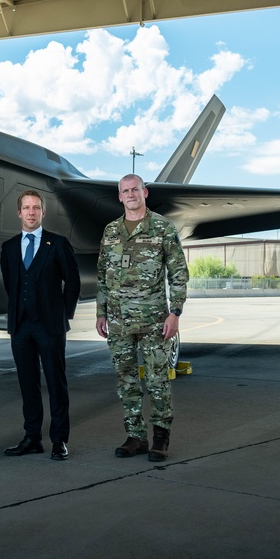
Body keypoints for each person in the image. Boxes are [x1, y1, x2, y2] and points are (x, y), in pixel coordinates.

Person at [95, 174, 188, 462]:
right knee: (126, 380)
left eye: (136, 189)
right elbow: (102, 275)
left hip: (154, 321)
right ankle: (135, 436)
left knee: (158, 380)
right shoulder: (111, 231)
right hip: (119, 322)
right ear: (120, 197)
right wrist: (101, 312)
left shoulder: (162, 227)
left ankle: (161, 437)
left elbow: (179, 273)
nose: (131, 194)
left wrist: (176, 312)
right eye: (126, 190)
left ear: (145, 192)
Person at [0, 190, 80, 461]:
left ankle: (59, 440)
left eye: (36, 208)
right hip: (21, 327)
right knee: (27, 384)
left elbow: (73, 282)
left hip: (50, 326)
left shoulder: (57, 243)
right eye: (26, 207)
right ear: (19, 212)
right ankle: (32, 437)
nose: (31, 212)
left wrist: (63, 315)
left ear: (43, 213)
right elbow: (12, 283)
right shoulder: (9, 247)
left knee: (56, 384)